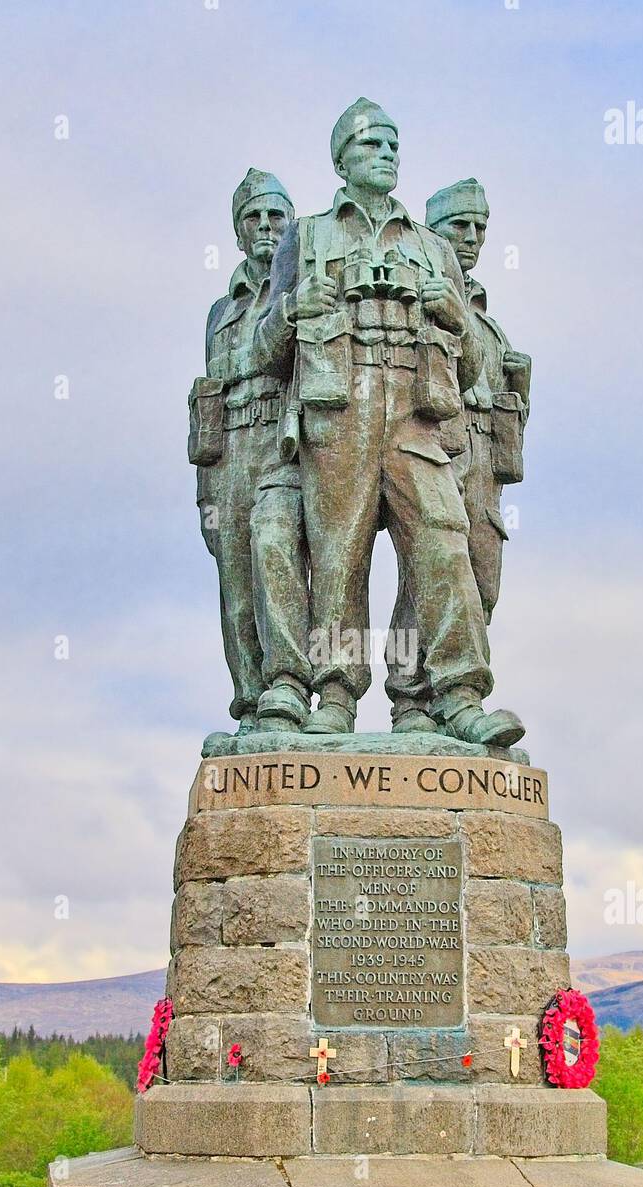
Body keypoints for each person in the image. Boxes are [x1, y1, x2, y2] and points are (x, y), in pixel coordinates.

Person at [255, 100, 523, 746]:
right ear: (342, 158)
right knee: (337, 556)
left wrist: (454, 313)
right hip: (338, 410)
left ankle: (457, 695)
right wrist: (293, 309)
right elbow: (262, 353)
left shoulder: (431, 248)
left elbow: (476, 367)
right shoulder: (309, 235)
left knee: (444, 543)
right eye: (372, 144)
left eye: (393, 145)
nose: (387, 154)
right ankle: (336, 695)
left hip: (415, 413)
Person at [386, 178, 531, 732]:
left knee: (481, 585)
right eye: (458, 227)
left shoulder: (489, 323)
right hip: (434, 448)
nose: (470, 238)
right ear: (433, 235)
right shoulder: (417, 297)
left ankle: (451, 706)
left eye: (479, 228)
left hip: (485, 470)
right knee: (426, 574)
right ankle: (413, 700)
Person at [189, 170, 311, 733]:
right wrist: (206, 485)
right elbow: (208, 394)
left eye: (275, 216)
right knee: (235, 588)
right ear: (238, 232)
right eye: (253, 218)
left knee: (274, 552)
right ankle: (250, 707)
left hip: (282, 444)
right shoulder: (221, 311)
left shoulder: (302, 284)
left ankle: (290, 689)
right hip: (227, 453)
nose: (265, 227)